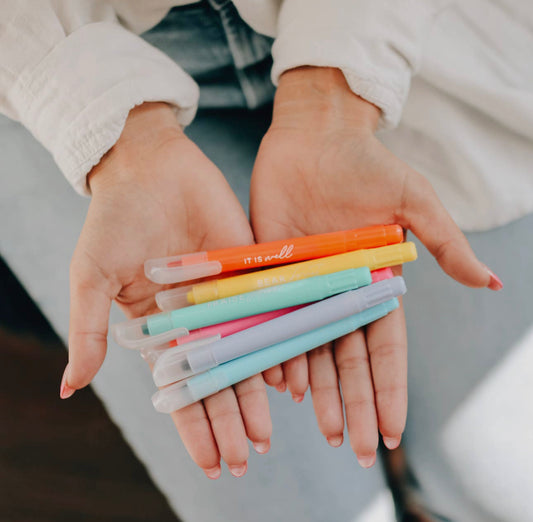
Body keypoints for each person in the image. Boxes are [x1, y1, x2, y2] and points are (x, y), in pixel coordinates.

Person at [2, 1, 532, 520]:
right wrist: (117, 141)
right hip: (70, 62)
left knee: (504, 494)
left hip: (418, 41)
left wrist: (335, 92)